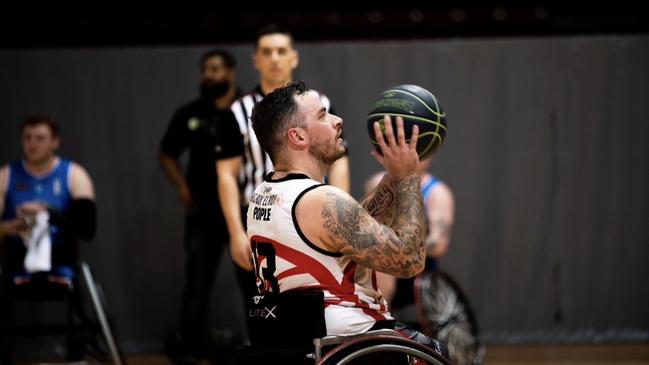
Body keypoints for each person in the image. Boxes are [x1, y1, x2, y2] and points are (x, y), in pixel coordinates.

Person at [245, 80, 448, 359]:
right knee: (440, 351)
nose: (338, 120)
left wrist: (392, 176)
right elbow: (410, 260)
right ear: (298, 137)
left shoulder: (264, 194)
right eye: (322, 115)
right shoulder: (321, 200)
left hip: (292, 338)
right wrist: (410, 178)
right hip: (352, 341)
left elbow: (343, 232)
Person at [219, 23, 350, 276]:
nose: (274, 59)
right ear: (256, 60)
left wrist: (340, 215)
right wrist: (236, 232)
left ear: (294, 57)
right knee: (263, 307)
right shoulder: (238, 112)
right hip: (260, 215)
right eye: (267, 52)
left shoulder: (320, 103)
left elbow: (340, 161)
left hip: (311, 210)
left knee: (315, 297)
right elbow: (226, 175)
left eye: (281, 51)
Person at [158, 49, 243, 363]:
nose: (209, 75)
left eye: (216, 69)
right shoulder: (190, 113)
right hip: (204, 210)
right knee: (197, 280)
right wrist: (182, 186)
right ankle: (190, 351)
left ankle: (262, 347)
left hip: (242, 209)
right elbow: (166, 152)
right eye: (205, 69)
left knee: (254, 280)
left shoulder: (247, 108)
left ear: (231, 73)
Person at [0, 114, 96, 362]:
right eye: (27, 138)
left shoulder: (74, 174)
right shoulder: (6, 176)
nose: (32, 144)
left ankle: (78, 354)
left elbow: (87, 229)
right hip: (17, 260)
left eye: (40, 138)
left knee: (78, 288)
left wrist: (51, 215)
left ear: (55, 142)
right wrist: (10, 227)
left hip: (59, 259)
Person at [365, 156, 455, 306]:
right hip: (377, 257)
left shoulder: (438, 193)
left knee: (382, 260)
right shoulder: (378, 182)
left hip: (414, 268)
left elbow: (438, 245)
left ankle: (378, 314)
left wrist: (398, 246)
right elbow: (362, 224)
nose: (413, 156)